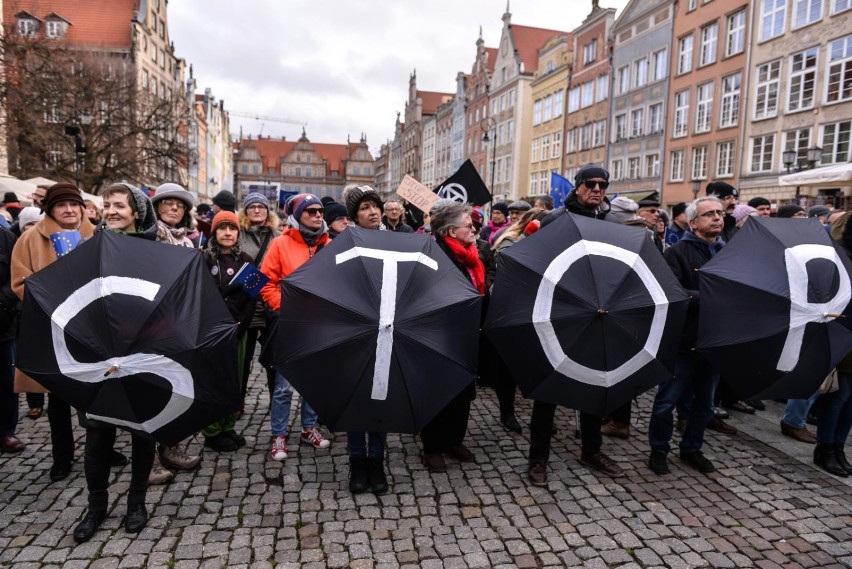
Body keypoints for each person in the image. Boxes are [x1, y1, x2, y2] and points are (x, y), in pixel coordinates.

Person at [72, 182, 159, 543]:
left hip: (142, 351)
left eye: (119, 205)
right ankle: (96, 506)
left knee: (142, 431)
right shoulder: (89, 246)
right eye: (107, 205)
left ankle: (136, 501)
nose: (111, 210)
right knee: (97, 435)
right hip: (100, 353)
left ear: (136, 212)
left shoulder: (155, 251)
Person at [527, 164, 623, 486]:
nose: (597, 189)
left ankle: (591, 449)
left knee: (595, 384)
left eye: (603, 184)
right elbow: (536, 262)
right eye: (591, 183)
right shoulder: (555, 220)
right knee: (548, 390)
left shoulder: (609, 222)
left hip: (597, 314)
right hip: (559, 313)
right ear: (578, 186)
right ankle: (538, 457)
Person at [11, 183, 99, 482]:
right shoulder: (30, 239)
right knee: (59, 399)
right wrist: (53, 295)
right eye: (62, 205)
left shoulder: (95, 236)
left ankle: (102, 450)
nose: (69, 210)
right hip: (52, 328)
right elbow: (19, 284)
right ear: (50, 209)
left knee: (97, 393)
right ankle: (62, 456)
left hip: (90, 329)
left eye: (74, 204)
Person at [647, 196, 726, 475]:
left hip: (713, 342)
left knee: (705, 404)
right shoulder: (677, 253)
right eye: (709, 214)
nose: (717, 217)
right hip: (682, 343)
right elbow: (672, 293)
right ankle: (659, 449)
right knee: (666, 403)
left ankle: (692, 447)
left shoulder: (728, 252)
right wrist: (712, 298)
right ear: (693, 223)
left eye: (720, 213)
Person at [259, 194, 331, 466]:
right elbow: (265, 284)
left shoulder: (329, 245)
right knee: (284, 388)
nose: (317, 215)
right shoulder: (280, 244)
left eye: (320, 211)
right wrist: (284, 309)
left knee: (314, 382)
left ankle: (308, 428)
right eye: (311, 211)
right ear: (297, 214)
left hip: (320, 326)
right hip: (290, 324)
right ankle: (278, 434)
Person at [419, 202, 485, 472]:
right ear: (450, 231)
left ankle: (454, 440)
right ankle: (432, 446)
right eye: (467, 224)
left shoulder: (470, 254)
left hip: (466, 333)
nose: (473, 227)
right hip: (438, 334)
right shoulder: (433, 255)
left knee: (462, 390)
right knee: (437, 391)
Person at [148, 183, 202, 483]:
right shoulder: (148, 237)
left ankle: (171, 446)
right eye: (166, 203)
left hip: (178, 324)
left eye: (178, 205)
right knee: (151, 390)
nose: (172, 209)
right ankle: (149, 458)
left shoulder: (188, 243)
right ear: (156, 208)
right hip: (150, 324)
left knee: (176, 388)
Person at [340, 184, 390, 494]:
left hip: (385, 332)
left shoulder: (394, 241)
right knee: (357, 399)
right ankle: (357, 462)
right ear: (354, 215)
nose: (372, 212)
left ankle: (377, 462)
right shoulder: (345, 243)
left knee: (382, 400)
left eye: (375, 206)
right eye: (364, 208)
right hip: (355, 332)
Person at [201, 211, 256, 452]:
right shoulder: (204, 259)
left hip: (238, 329)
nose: (227, 233)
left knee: (235, 377)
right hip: (213, 330)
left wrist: (241, 323)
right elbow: (203, 294)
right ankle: (212, 430)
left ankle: (228, 425)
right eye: (222, 228)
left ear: (237, 232)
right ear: (214, 232)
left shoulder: (246, 259)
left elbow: (252, 296)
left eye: (231, 228)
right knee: (214, 379)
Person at [237, 193, 280, 403]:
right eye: (252, 206)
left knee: (273, 359)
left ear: (267, 210)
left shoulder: (278, 236)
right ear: (245, 211)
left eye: (261, 206)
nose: (256, 210)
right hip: (247, 306)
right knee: (243, 359)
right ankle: (237, 401)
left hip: (271, 306)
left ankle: (275, 400)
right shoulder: (237, 234)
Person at [15, 207, 46, 420]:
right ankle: (35, 401)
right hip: (25, 312)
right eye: (28, 224)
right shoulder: (22, 241)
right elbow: (17, 280)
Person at [0, 223, 22, 455]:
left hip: (3, 324)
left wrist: (2, 301)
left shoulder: (7, 238)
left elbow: (17, 277)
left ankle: (7, 431)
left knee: (7, 382)